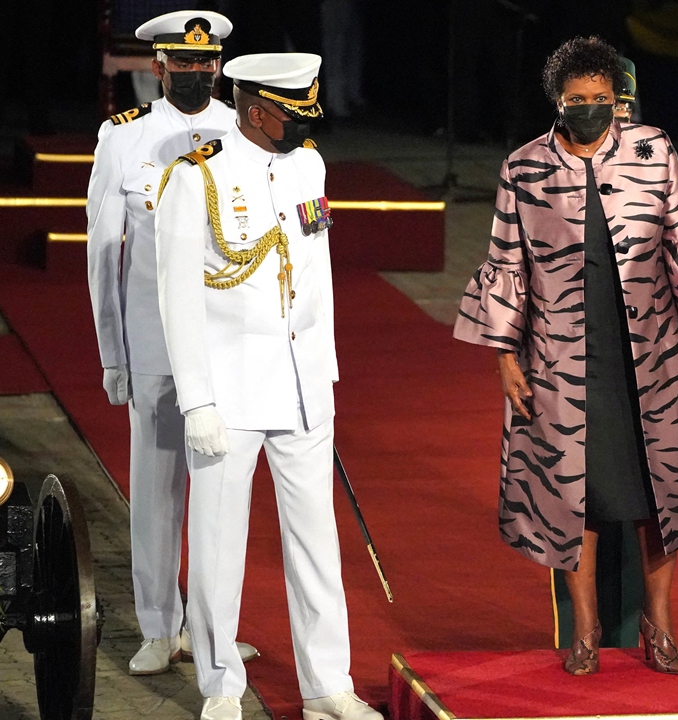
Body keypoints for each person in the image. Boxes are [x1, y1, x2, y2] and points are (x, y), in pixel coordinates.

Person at [453, 36, 678, 676]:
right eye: (577, 100)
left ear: (620, 100)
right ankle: (584, 630)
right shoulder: (523, 167)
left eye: (602, 99)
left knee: (660, 486)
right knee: (571, 490)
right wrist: (506, 359)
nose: (590, 109)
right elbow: (507, 265)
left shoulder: (653, 150)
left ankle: (658, 623)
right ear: (557, 101)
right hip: (561, 356)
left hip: (654, 351)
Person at [155, 52, 381, 720]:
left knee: (316, 542)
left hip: (303, 387)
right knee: (219, 547)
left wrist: (326, 371)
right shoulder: (197, 181)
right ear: (258, 111)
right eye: (295, 113)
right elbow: (179, 301)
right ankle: (221, 685)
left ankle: (326, 686)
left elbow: (318, 277)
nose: (307, 126)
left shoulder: (308, 167)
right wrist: (195, 399)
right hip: (227, 394)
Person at [85, 9, 258, 676]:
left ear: (219, 64)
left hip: (227, 347)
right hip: (155, 342)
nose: (195, 71)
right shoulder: (123, 137)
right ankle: (160, 624)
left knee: (224, 497)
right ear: (157, 66)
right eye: (182, 63)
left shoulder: (244, 133)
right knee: (156, 491)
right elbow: (104, 253)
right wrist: (111, 352)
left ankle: (215, 633)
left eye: (206, 61)